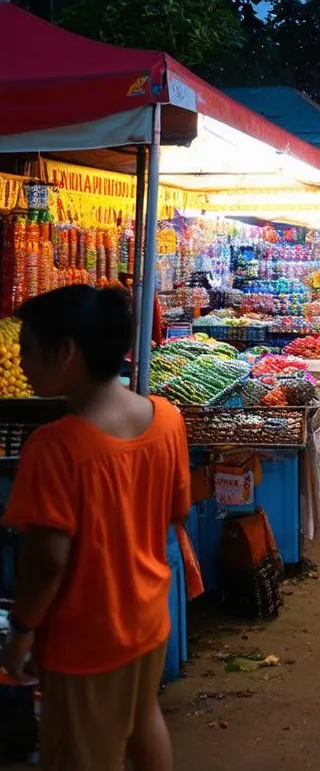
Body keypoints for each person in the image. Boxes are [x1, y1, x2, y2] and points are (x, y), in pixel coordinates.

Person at [0, 285, 190, 771]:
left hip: (85, 636)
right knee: (143, 718)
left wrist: (22, 631)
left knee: (81, 753)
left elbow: (47, 561)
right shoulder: (166, 419)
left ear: (66, 352)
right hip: (149, 614)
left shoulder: (55, 447)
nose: (20, 362)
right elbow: (176, 512)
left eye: (26, 349)